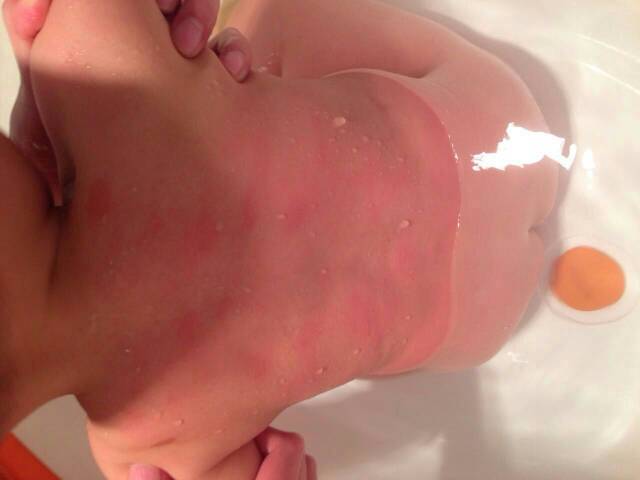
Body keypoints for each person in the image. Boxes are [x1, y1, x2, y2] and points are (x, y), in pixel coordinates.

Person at [0, 0, 558, 478]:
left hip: (480, 319)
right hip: (498, 127)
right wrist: (44, 75)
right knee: (267, 17)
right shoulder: (93, 55)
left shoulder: (147, 449)